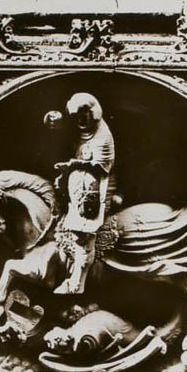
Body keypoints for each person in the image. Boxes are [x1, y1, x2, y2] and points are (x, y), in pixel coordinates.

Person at [52, 93, 116, 294]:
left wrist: (72, 165)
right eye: (76, 116)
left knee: (85, 231)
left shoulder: (103, 136)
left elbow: (101, 166)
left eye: (84, 115)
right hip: (77, 186)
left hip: (96, 186)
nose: (80, 120)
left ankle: (78, 281)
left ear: (92, 112)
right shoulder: (82, 131)